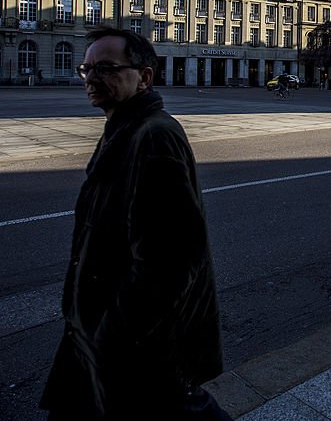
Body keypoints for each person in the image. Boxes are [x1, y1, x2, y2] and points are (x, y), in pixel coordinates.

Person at [40, 28, 229, 420]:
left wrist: (110, 337)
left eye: (106, 68)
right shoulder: (124, 127)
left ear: (144, 77)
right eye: (86, 69)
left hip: (138, 345)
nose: (91, 78)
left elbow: (170, 262)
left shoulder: (154, 136)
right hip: (104, 334)